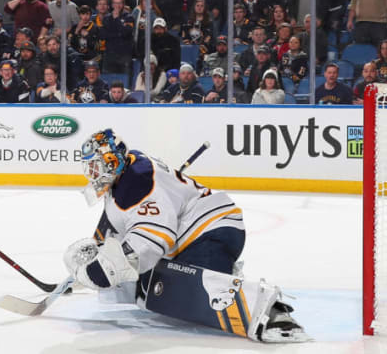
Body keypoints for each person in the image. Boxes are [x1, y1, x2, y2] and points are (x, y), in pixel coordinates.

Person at [64, 129, 309, 344]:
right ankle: (222, 275)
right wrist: (98, 251)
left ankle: (273, 313)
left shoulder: (137, 180)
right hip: (201, 233)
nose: (92, 171)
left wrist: (108, 266)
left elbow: (152, 240)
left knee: (182, 292)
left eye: (95, 164)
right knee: (149, 291)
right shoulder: (126, 174)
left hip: (211, 231)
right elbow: (118, 222)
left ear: (111, 160)